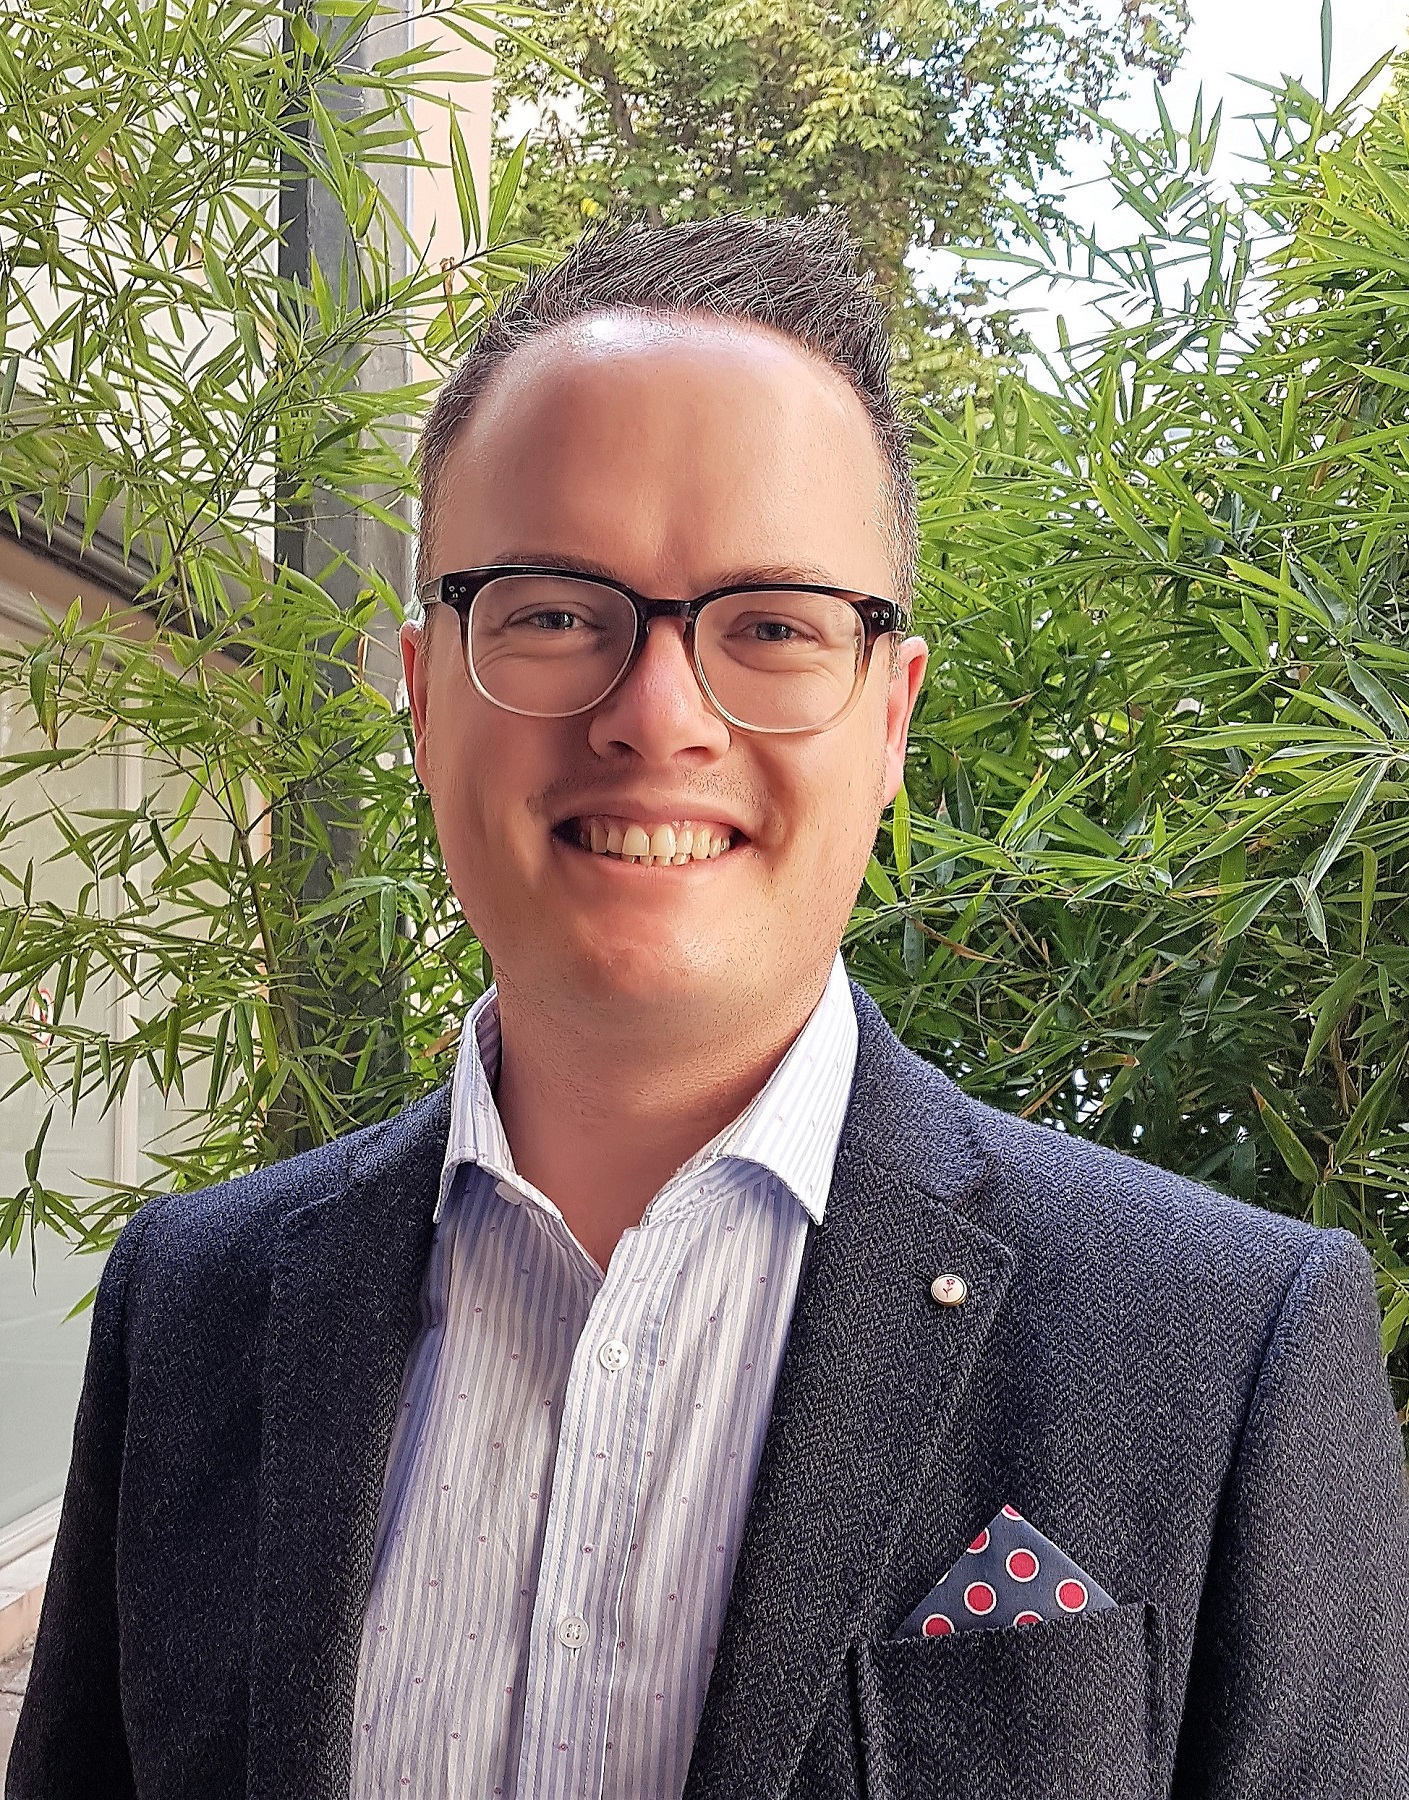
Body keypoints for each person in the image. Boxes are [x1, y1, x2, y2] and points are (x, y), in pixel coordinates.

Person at [9, 214, 1408, 1800]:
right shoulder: (193, 1306)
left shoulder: (1221, 1346)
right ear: (421, 690)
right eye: (552, 611)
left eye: (772, 626)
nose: (658, 714)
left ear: (888, 719)